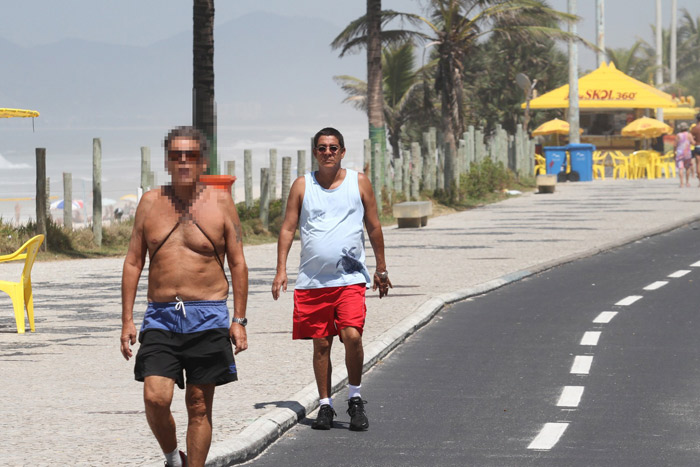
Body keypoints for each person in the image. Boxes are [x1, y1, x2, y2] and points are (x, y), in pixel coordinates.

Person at [120, 126, 248, 467]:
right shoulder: (150, 203)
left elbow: (237, 262)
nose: (183, 161)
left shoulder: (220, 202)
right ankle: (172, 458)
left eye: (190, 155)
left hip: (207, 315)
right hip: (161, 316)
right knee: (155, 397)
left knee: (199, 405)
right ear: (166, 160)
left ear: (202, 160)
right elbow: (134, 261)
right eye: (176, 155)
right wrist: (127, 319)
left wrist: (239, 320)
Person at [272, 127, 391, 431]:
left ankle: (354, 397)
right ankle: (325, 405)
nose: (328, 153)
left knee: (352, 335)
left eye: (333, 148)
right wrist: (281, 269)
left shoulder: (358, 182)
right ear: (315, 152)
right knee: (321, 345)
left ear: (342, 152)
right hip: (313, 281)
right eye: (322, 148)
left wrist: (381, 268)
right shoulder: (302, 185)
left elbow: (374, 227)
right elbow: (287, 228)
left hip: (350, 278)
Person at [674, 122, 696, 187]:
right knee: (687, 168)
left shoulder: (678, 135)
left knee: (681, 168)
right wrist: (693, 139)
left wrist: (674, 153)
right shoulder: (689, 135)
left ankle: (681, 183)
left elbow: (675, 145)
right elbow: (693, 143)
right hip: (687, 153)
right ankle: (687, 182)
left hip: (680, 153)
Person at [690, 114, 700, 182]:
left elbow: (690, 139)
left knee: (698, 164)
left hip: (697, 146)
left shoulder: (694, 128)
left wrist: (694, 141)